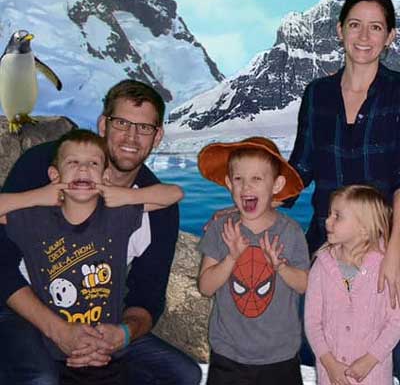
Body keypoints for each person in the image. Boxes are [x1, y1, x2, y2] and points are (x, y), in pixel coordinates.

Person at [0, 80, 202, 384]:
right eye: (122, 123)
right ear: (103, 124)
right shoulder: (47, 165)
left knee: (182, 374)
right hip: (24, 311)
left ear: (157, 136)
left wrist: (120, 334)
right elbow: (1, 264)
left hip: (97, 319)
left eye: (144, 128)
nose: (131, 137)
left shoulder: (151, 202)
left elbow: (148, 293)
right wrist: (60, 331)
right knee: (40, 378)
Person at [288, 0, 400, 309]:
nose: (364, 36)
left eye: (376, 27)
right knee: (312, 346)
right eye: (355, 25)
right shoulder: (316, 94)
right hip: (326, 244)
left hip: (383, 246)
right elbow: (302, 168)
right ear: (340, 29)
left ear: (390, 36)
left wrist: (393, 254)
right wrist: (248, 201)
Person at [197, 137, 309, 385]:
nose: (246, 187)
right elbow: (205, 287)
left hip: (280, 356)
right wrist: (232, 257)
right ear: (229, 183)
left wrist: (280, 266)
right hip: (228, 356)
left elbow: (304, 285)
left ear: (277, 184)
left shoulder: (291, 231)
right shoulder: (219, 229)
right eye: (238, 179)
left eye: (257, 178)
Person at [305, 185, 400, 385]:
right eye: (329, 214)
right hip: (330, 377)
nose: (327, 221)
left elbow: (396, 322)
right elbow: (312, 323)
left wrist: (370, 359)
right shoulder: (321, 265)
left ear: (364, 229)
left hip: (374, 376)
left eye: (337, 216)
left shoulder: (386, 268)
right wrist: (329, 363)